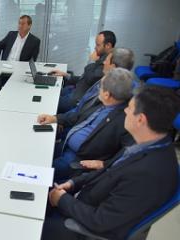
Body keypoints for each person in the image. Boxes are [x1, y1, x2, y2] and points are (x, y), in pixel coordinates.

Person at [42, 85, 180, 240]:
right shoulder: (145, 143)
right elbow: (108, 170)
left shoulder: (149, 174)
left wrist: (62, 200)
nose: (125, 111)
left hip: (79, 226)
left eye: (129, 108)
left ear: (140, 119)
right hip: (83, 198)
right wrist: (73, 183)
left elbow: (101, 221)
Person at [48, 68, 135, 181]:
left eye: (100, 87)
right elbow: (79, 115)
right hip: (66, 145)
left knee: (45, 168)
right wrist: (56, 118)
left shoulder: (125, 121)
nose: (98, 89)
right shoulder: (104, 102)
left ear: (107, 94)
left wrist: (104, 164)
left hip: (78, 159)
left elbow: (128, 153)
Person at [38, 48, 135, 139]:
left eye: (107, 60)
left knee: (48, 102)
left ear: (113, 67)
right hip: (74, 114)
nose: (104, 62)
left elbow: (83, 114)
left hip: (74, 115)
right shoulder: (107, 79)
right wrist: (59, 119)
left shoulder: (110, 91)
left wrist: (60, 120)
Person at [53, 31, 116, 113]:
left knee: (50, 102)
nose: (95, 48)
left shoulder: (108, 64)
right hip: (74, 90)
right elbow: (85, 77)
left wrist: (91, 61)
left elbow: (90, 78)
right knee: (52, 93)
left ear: (108, 45)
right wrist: (66, 75)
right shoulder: (101, 57)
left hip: (76, 99)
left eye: (98, 45)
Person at [0, 15, 41, 104]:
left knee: (14, 88)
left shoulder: (35, 41)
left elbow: (33, 59)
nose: (20, 26)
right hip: (5, 66)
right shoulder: (11, 34)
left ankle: (10, 103)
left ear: (29, 25)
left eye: (23, 24)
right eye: (19, 23)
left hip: (19, 70)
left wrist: (24, 69)